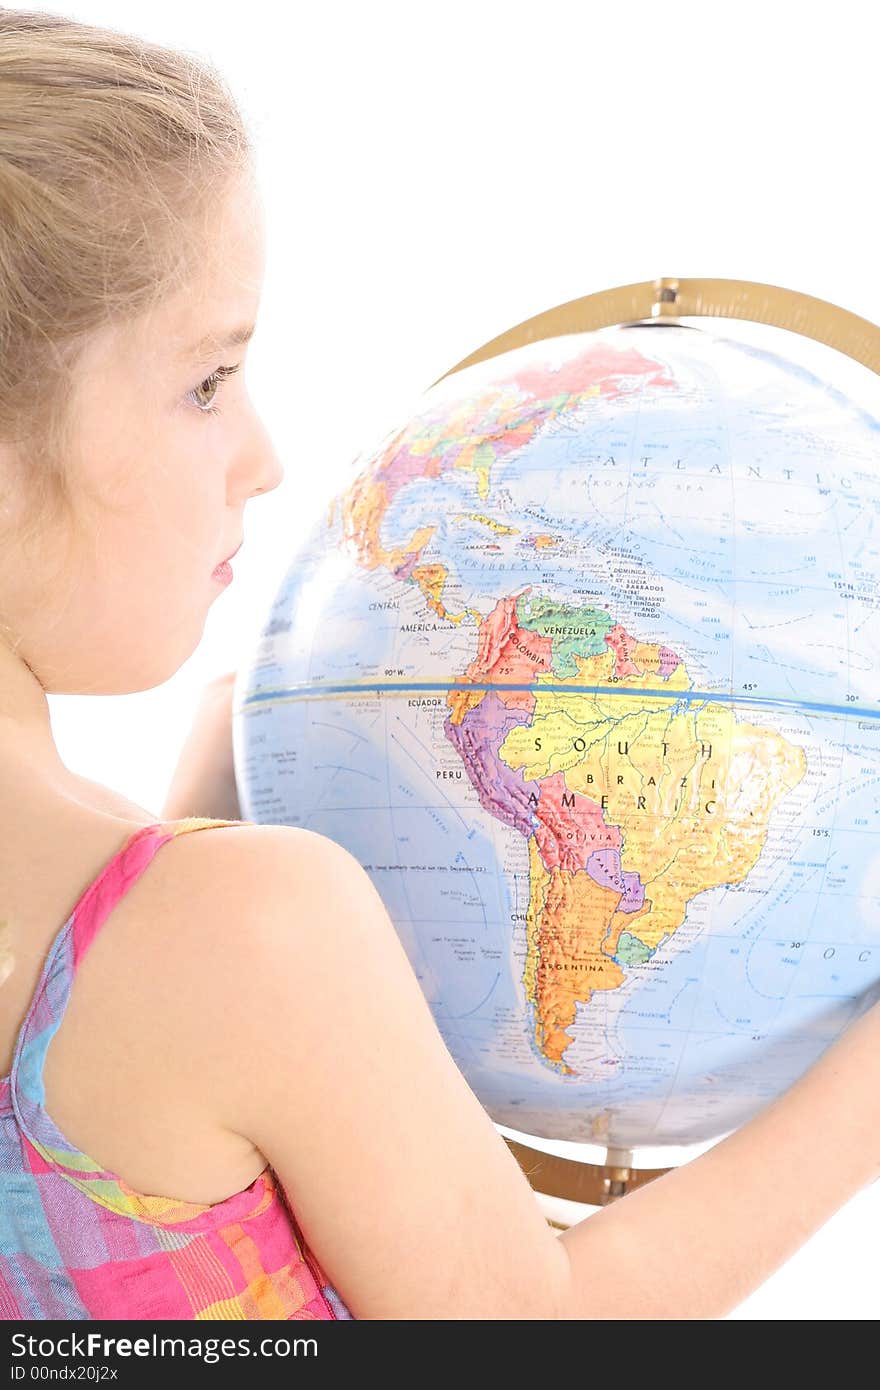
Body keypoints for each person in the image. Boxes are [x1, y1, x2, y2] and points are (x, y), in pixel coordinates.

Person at [1, 10, 878, 1323]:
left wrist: (193, 817)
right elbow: (539, 1329)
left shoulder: (188, 924)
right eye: (207, 381)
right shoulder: (249, 929)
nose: (264, 455)